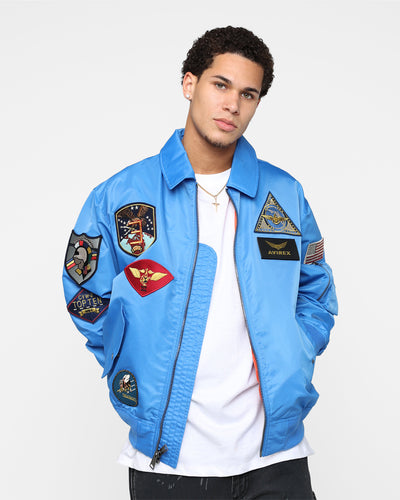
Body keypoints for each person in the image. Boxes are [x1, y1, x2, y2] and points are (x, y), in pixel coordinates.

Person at [63, 26, 338, 500]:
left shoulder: (285, 195)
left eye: (248, 94)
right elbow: (82, 290)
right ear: (189, 83)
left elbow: (316, 289)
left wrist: (295, 350)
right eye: (221, 85)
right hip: (168, 460)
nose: (232, 105)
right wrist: (128, 357)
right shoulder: (121, 195)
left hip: (276, 459)